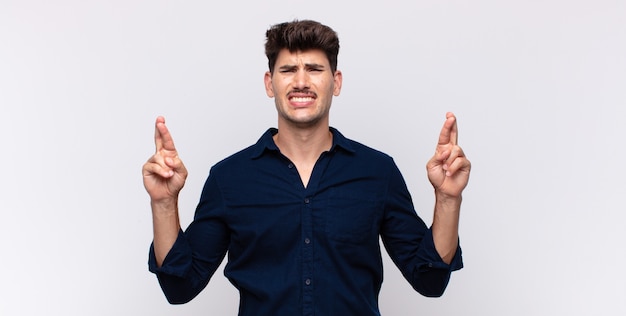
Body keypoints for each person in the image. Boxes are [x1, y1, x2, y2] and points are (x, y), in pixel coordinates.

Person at [143, 19, 471, 315]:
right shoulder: (229, 178)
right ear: (270, 83)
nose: (301, 82)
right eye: (288, 70)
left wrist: (448, 198)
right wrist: (163, 202)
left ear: (336, 82)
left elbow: (430, 281)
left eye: (314, 69)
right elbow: (179, 287)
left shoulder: (378, 172)